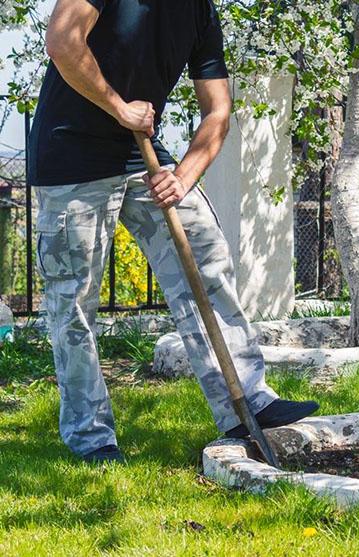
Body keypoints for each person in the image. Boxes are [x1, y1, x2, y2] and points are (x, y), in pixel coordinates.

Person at [28, 0, 318, 464]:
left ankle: (247, 404)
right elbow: (63, 43)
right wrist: (121, 108)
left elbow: (218, 110)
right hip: (72, 161)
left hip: (141, 155)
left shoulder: (199, 12)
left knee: (206, 263)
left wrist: (183, 176)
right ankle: (91, 437)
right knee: (74, 302)